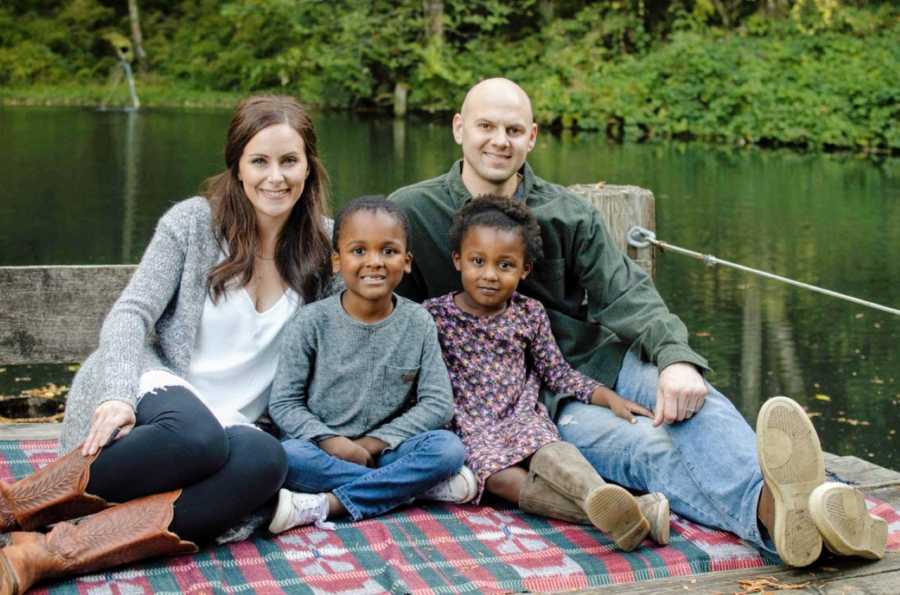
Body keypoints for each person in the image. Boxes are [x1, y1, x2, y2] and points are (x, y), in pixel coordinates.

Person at [389, 78, 888, 566]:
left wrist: (674, 359)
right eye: (486, 126)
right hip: (530, 404)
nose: (500, 140)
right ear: (459, 128)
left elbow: (626, 291)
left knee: (700, 405)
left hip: (597, 363)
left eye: (514, 130)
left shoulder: (568, 213)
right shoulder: (414, 211)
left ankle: (811, 503)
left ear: (533, 137)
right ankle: (784, 514)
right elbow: (388, 318)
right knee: (644, 447)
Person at [0, 95, 335, 594]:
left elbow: (362, 327)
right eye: (259, 161)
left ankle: (48, 554)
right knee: (195, 434)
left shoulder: (328, 249)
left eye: (289, 161)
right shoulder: (194, 224)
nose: (275, 176)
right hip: (154, 399)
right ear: (237, 166)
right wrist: (116, 393)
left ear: (309, 167)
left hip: (232, 428)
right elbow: (131, 313)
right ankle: (16, 506)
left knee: (267, 460)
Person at [424, 196, 670, 551]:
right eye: (478, 262)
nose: (490, 274)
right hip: (469, 425)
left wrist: (607, 397)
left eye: (505, 265)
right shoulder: (433, 316)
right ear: (458, 261)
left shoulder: (529, 314)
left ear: (524, 270)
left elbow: (558, 373)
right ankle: (633, 512)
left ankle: (598, 495)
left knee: (550, 451)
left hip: (521, 415)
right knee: (500, 481)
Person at [266, 196, 468, 533]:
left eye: (388, 252)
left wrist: (373, 444)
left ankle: (331, 503)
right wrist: (334, 442)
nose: (374, 262)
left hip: (388, 450)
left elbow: (438, 403)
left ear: (406, 262)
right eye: (359, 251)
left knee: (448, 450)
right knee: (286, 458)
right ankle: (414, 489)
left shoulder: (418, 322)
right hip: (321, 450)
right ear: (336, 261)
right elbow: (284, 403)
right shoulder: (311, 322)